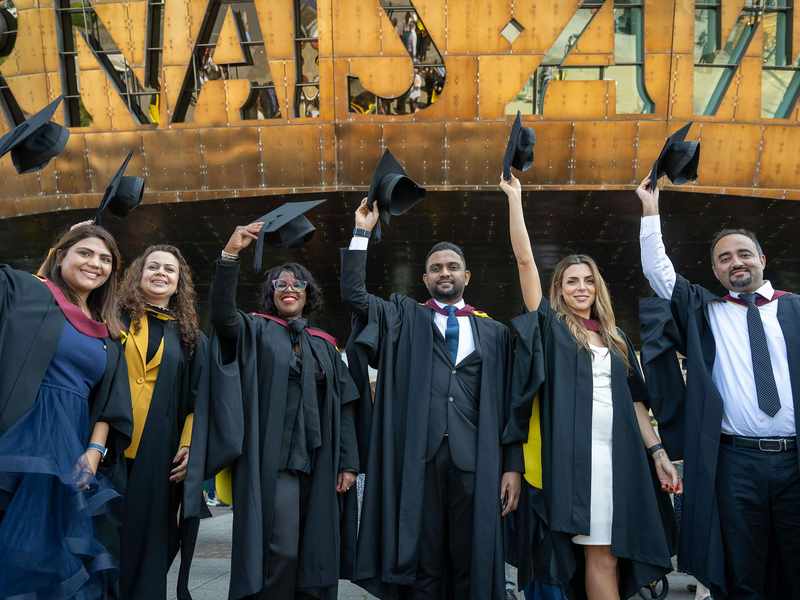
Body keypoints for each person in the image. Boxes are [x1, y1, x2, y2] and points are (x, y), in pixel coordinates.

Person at [500, 174, 680, 600]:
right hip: (580, 463)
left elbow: (636, 403)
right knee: (600, 554)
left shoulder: (616, 338)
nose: (581, 288)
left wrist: (657, 453)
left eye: (587, 281)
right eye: (571, 282)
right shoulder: (552, 330)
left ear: (598, 286)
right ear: (558, 290)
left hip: (624, 459)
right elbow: (525, 261)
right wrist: (515, 199)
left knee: (614, 554)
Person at [341, 198, 523, 600]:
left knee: (469, 557)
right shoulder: (404, 317)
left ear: (467, 276)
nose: (445, 273)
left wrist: (512, 466)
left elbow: (510, 407)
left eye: (452, 267)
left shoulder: (494, 334)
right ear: (424, 278)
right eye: (437, 268)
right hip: (418, 458)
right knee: (421, 559)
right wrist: (361, 232)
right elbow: (354, 295)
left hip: (475, 457)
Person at [635, 175, 800, 599]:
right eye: (725, 258)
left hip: (795, 460)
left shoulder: (796, 308)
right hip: (736, 463)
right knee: (741, 569)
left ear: (762, 257)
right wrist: (650, 211)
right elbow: (660, 274)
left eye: (744, 253)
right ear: (715, 270)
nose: (736, 262)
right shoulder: (706, 313)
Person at [189, 220, 360, 600]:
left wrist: (348, 463)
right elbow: (221, 315)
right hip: (272, 460)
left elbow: (345, 405)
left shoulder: (325, 345)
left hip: (321, 461)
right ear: (270, 294)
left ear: (307, 293)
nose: (288, 288)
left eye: (296, 283)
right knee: (280, 548)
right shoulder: (255, 332)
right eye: (279, 284)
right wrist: (230, 255)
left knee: (316, 550)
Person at [0, 223, 132, 599]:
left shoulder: (108, 332)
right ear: (61, 256)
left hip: (70, 444)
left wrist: (95, 452)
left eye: (105, 259)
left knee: (52, 552)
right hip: (21, 434)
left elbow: (110, 403)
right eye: (85, 253)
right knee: (16, 550)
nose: (95, 264)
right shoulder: (28, 292)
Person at [116, 244, 207, 599]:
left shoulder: (190, 338)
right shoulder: (114, 317)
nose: (161, 274)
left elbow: (200, 399)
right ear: (138, 275)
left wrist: (188, 443)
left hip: (161, 452)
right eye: (153, 266)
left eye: (170, 270)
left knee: (152, 538)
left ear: (178, 283)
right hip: (109, 444)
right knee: (107, 534)